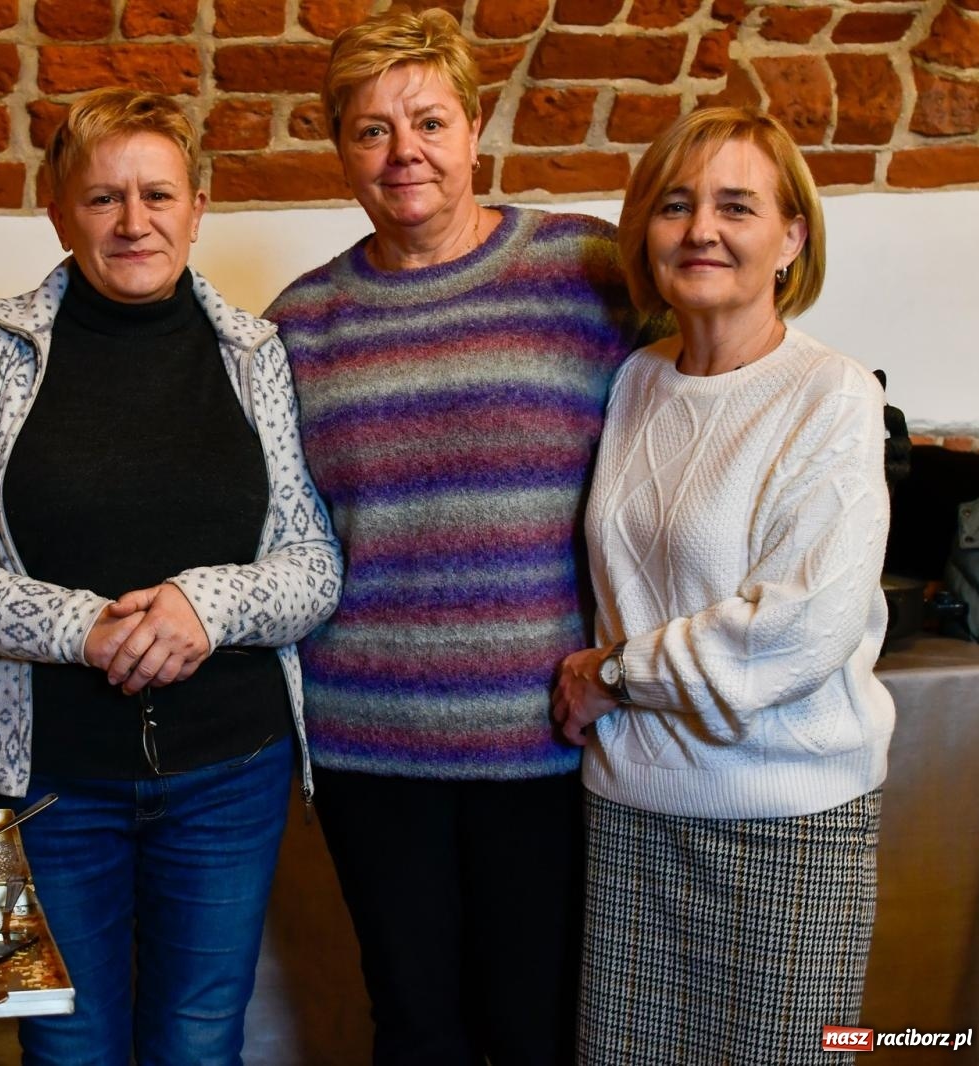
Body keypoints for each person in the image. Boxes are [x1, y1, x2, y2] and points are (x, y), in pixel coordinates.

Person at [0, 87, 342, 1066]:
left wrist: (202, 605)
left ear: (198, 205)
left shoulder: (255, 354)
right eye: (103, 198)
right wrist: (82, 627)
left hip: (229, 772)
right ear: (57, 211)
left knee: (198, 1045)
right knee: (68, 1047)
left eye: (158, 195)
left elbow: (311, 565)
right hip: (49, 783)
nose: (135, 222)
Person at [263, 9, 643, 1064]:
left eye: (428, 120)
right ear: (337, 147)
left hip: (545, 735)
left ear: (475, 128)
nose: (404, 153)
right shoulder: (301, 322)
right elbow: (282, 534)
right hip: (366, 744)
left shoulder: (585, 271)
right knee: (416, 1024)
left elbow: (696, 415)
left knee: (536, 1025)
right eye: (370, 130)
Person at [550, 106, 894, 1065]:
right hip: (632, 811)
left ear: (792, 237)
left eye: (736, 205)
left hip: (786, 819)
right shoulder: (634, 383)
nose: (700, 229)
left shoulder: (831, 394)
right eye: (675, 204)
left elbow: (803, 628)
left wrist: (615, 674)